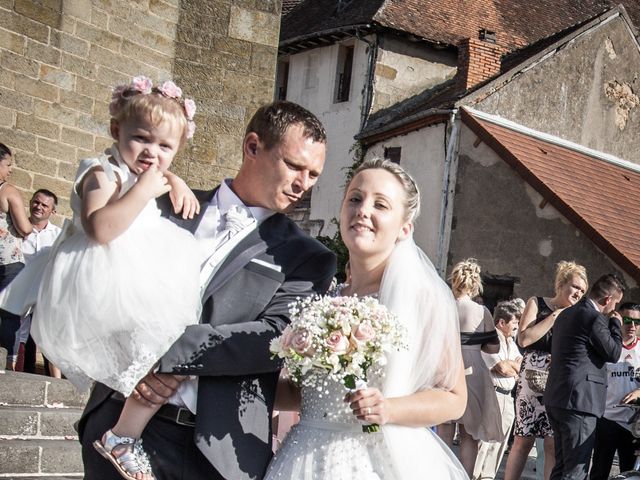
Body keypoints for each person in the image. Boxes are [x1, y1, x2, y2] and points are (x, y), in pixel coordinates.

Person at [78, 99, 336, 480]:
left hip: (216, 452)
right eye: (294, 166)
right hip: (116, 422)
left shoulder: (307, 257)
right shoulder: (160, 205)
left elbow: (274, 337)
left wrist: (177, 356)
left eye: (313, 174)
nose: (303, 184)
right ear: (252, 147)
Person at [265, 158, 469, 479]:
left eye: (380, 205)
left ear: (404, 228)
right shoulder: (327, 298)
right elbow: (305, 392)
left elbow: (454, 399)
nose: (362, 210)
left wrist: (388, 409)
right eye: (355, 199)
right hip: (302, 457)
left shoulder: (421, 299)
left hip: (374, 463)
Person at [504, 261, 588, 480]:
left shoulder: (578, 314)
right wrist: (555, 315)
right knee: (523, 439)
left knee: (552, 443)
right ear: (561, 284)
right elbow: (524, 339)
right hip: (530, 381)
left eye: (582, 290)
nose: (578, 293)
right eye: (575, 287)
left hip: (558, 382)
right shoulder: (537, 303)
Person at [544, 273, 625, 480]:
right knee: (575, 471)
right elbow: (613, 353)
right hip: (579, 402)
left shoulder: (566, 314)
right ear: (608, 300)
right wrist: (616, 324)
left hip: (558, 397)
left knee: (562, 466)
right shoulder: (594, 317)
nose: (613, 309)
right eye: (615, 304)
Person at [438, 259, 502, 477]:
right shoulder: (481, 311)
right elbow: (494, 347)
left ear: (454, 281)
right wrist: (476, 343)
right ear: (475, 285)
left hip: (445, 367)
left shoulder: (442, 305)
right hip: (472, 370)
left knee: (444, 431)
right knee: (469, 435)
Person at [589, 302, 640, 479]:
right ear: (618, 318)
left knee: (629, 473)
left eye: (637, 322)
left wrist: (639, 393)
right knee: (599, 472)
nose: (632, 326)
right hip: (606, 418)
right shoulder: (607, 347)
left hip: (632, 423)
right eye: (627, 320)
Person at [14, 189, 62, 375]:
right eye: (36, 202)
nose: (38, 207)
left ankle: (53, 383)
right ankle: (18, 374)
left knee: (47, 338)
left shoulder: (58, 235)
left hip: (45, 293)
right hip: (21, 291)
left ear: (53, 211)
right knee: (20, 337)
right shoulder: (17, 228)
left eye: (44, 205)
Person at [473, 300, 523, 480]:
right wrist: (511, 367)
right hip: (492, 395)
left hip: (507, 398)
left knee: (498, 445)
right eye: (514, 322)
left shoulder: (511, 342)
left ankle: (488, 477)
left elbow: (521, 365)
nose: (517, 326)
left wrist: (513, 366)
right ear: (502, 322)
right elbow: (501, 367)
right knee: (483, 444)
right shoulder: (490, 338)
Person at [0, 143, 32, 369]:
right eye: (8, 164)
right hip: (10, 260)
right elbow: (25, 227)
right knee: (9, 314)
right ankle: (7, 365)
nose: (10, 169)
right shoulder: (8, 191)